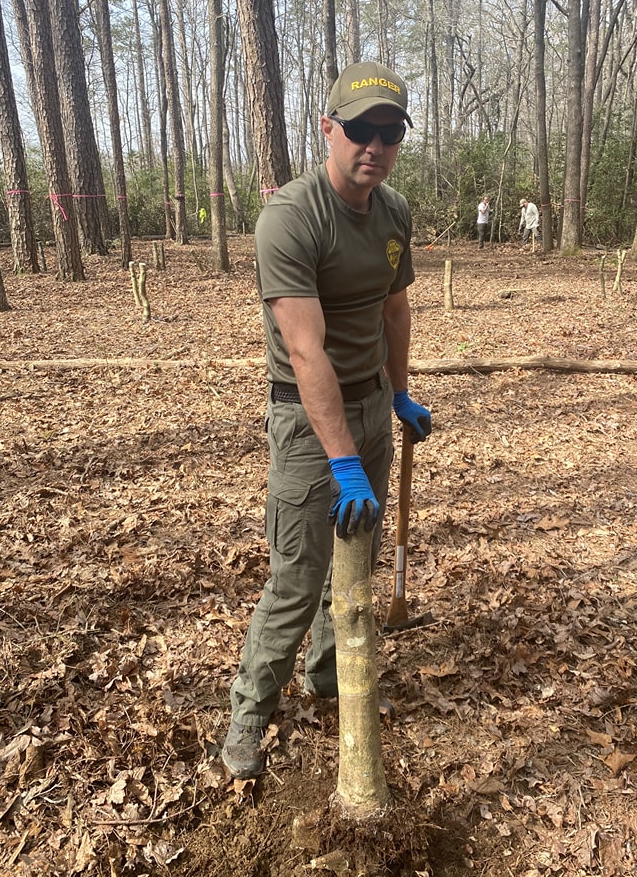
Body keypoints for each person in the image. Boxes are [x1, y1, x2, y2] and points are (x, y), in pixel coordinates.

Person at [222, 61, 433, 780]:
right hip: (311, 424)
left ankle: (325, 673)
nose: (373, 145)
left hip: (373, 407)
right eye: (360, 129)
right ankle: (249, 713)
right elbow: (305, 352)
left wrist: (399, 395)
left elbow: (395, 310)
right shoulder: (291, 218)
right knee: (298, 576)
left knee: (357, 560)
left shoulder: (395, 212)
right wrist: (341, 459)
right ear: (328, 130)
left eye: (389, 132)